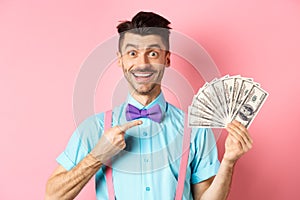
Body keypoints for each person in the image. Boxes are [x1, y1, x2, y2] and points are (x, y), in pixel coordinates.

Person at [45, 11, 253, 200]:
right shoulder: (95, 128)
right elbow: (53, 196)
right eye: (132, 53)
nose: (142, 63)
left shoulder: (196, 129)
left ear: (167, 59)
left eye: (152, 53)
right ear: (121, 60)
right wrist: (97, 156)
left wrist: (228, 161)